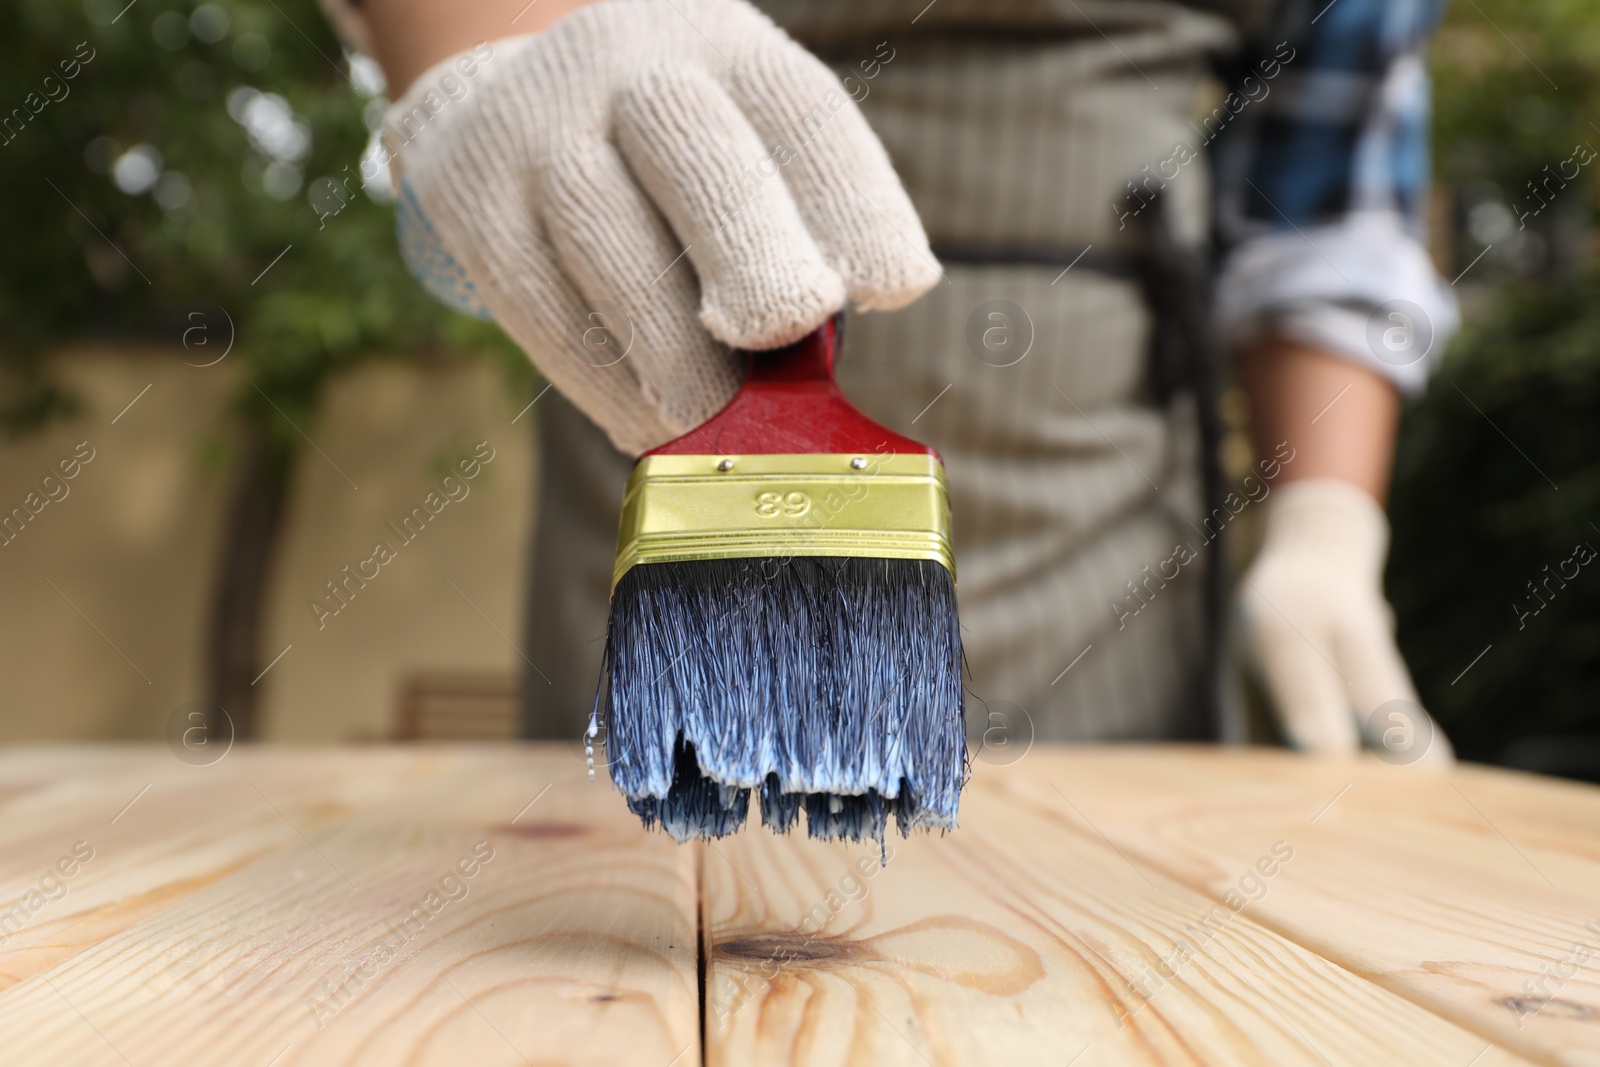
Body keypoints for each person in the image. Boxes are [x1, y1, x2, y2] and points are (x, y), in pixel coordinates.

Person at [320, 0, 1457, 761]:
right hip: (653, 421)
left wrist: (1323, 523)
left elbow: (1326, 192)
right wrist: (481, 72)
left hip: (1116, 549)